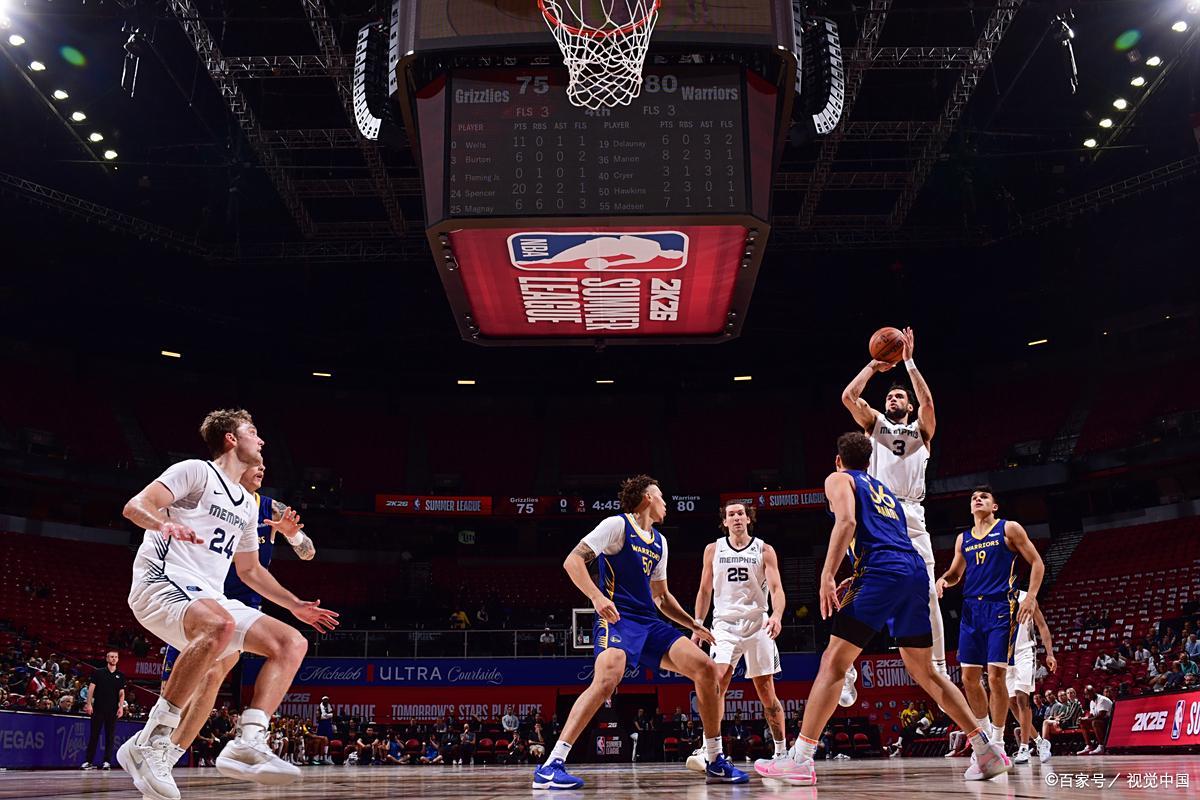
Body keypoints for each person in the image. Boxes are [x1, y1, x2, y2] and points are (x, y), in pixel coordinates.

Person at [756, 433, 1011, 786]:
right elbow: (888, 538)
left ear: (838, 460)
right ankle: (985, 750)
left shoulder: (838, 479)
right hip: (912, 571)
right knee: (926, 671)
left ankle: (800, 758)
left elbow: (847, 522)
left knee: (833, 663)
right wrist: (858, 575)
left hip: (882, 572)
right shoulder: (884, 491)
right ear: (869, 461)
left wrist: (828, 575)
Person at [117, 409, 338, 800]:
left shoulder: (250, 505)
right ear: (231, 439)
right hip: (161, 581)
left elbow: (250, 570)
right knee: (218, 629)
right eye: (253, 432)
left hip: (208, 595)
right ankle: (152, 741)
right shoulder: (196, 472)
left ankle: (248, 742)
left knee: (291, 643)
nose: (262, 440)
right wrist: (163, 524)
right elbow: (135, 506)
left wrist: (294, 605)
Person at [532, 475, 747, 790]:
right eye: (661, 497)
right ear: (648, 497)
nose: (666, 504)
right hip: (618, 617)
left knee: (707, 669)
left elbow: (661, 597)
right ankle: (552, 765)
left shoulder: (660, 542)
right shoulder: (616, 526)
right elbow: (572, 561)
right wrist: (597, 598)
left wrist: (692, 623)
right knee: (607, 679)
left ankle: (714, 759)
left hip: (649, 622)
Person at [158, 461, 321, 765]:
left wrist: (293, 536)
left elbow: (309, 552)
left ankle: (170, 754)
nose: (262, 468)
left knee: (214, 673)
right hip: (198, 597)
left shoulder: (271, 508)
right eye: (254, 464)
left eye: (264, 465)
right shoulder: (210, 495)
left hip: (241, 605)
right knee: (175, 687)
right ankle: (155, 744)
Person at [839, 327, 947, 709]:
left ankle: (939, 669)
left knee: (928, 591)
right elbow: (849, 397)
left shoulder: (922, 431)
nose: (893, 398)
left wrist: (909, 363)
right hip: (880, 509)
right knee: (864, 585)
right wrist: (874, 365)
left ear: (909, 405)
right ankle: (845, 668)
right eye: (889, 396)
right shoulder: (875, 425)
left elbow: (928, 401)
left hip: (913, 513)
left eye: (899, 396)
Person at [935, 486, 1045, 757]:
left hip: (1000, 607)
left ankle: (998, 741)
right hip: (971, 609)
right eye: (974, 498)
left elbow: (1037, 563)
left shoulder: (1009, 528)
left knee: (996, 677)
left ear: (994, 506)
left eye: (984, 497)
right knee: (969, 678)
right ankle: (984, 738)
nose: (978, 499)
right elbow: (955, 573)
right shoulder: (963, 539)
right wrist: (943, 580)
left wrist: (1031, 597)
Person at [687, 500, 787, 773]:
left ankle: (781, 752)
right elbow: (704, 590)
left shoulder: (764, 549)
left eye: (741, 513)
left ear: (748, 518)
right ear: (725, 521)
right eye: (731, 514)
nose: (737, 518)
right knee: (717, 682)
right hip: (724, 625)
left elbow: (777, 589)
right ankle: (710, 749)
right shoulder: (713, 549)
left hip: (757, 623)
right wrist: (698, 625)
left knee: (766, 691)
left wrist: (777, 615)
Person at [1004, 589, 1057, 764]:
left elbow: (1042, 625)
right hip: (1004, 655)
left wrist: (1050, 654)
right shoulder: (993, 596)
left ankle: (1024, 747)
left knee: (1022, 698)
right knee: (1012, 703)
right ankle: (1040, 742)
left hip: (1025, 651)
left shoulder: (1026, 597)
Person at [81, 650, 126, 770]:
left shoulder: (120, 675)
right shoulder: (98, 672)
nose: (113, 659)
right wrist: (89, 704)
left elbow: (121, 693)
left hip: (112, 710)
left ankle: (107, 762)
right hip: (98, 708)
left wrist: (121, 707)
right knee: (94, 735)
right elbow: (91, 689)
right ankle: (88, 761)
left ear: (118, 659)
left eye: (115, 657)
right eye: (111, 657)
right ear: (107, 658)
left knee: (110, 736)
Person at [1077, 685, 1113, 755]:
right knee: (1083, 723)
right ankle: (1089, 746)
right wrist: (1085, 719)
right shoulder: (1092, 702)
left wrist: (1088, 720)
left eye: (1089, 694)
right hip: (1100, 720)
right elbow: (1092, 715)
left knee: (1095, 722)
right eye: (1086, 694)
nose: (1087, 696)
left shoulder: (1102, 699)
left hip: (1109, 722)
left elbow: (1101, 715)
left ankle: (1101, 746)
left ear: (1094, 692)